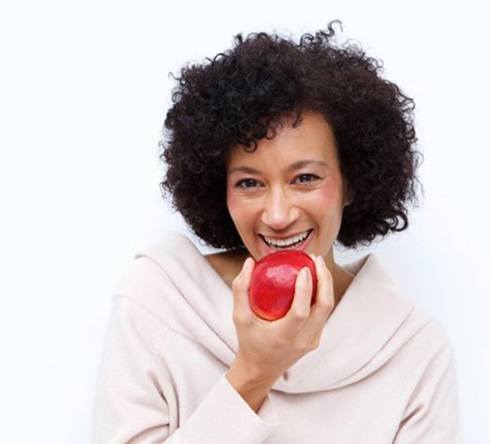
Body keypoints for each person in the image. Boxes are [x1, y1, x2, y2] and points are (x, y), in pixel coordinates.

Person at [91, 21, 462, 443]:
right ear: (220, 190)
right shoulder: (160, 297)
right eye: (250, 183)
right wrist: (253, 372)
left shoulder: (412, 349)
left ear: (351, 182)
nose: (279, 214)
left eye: (305, 178)